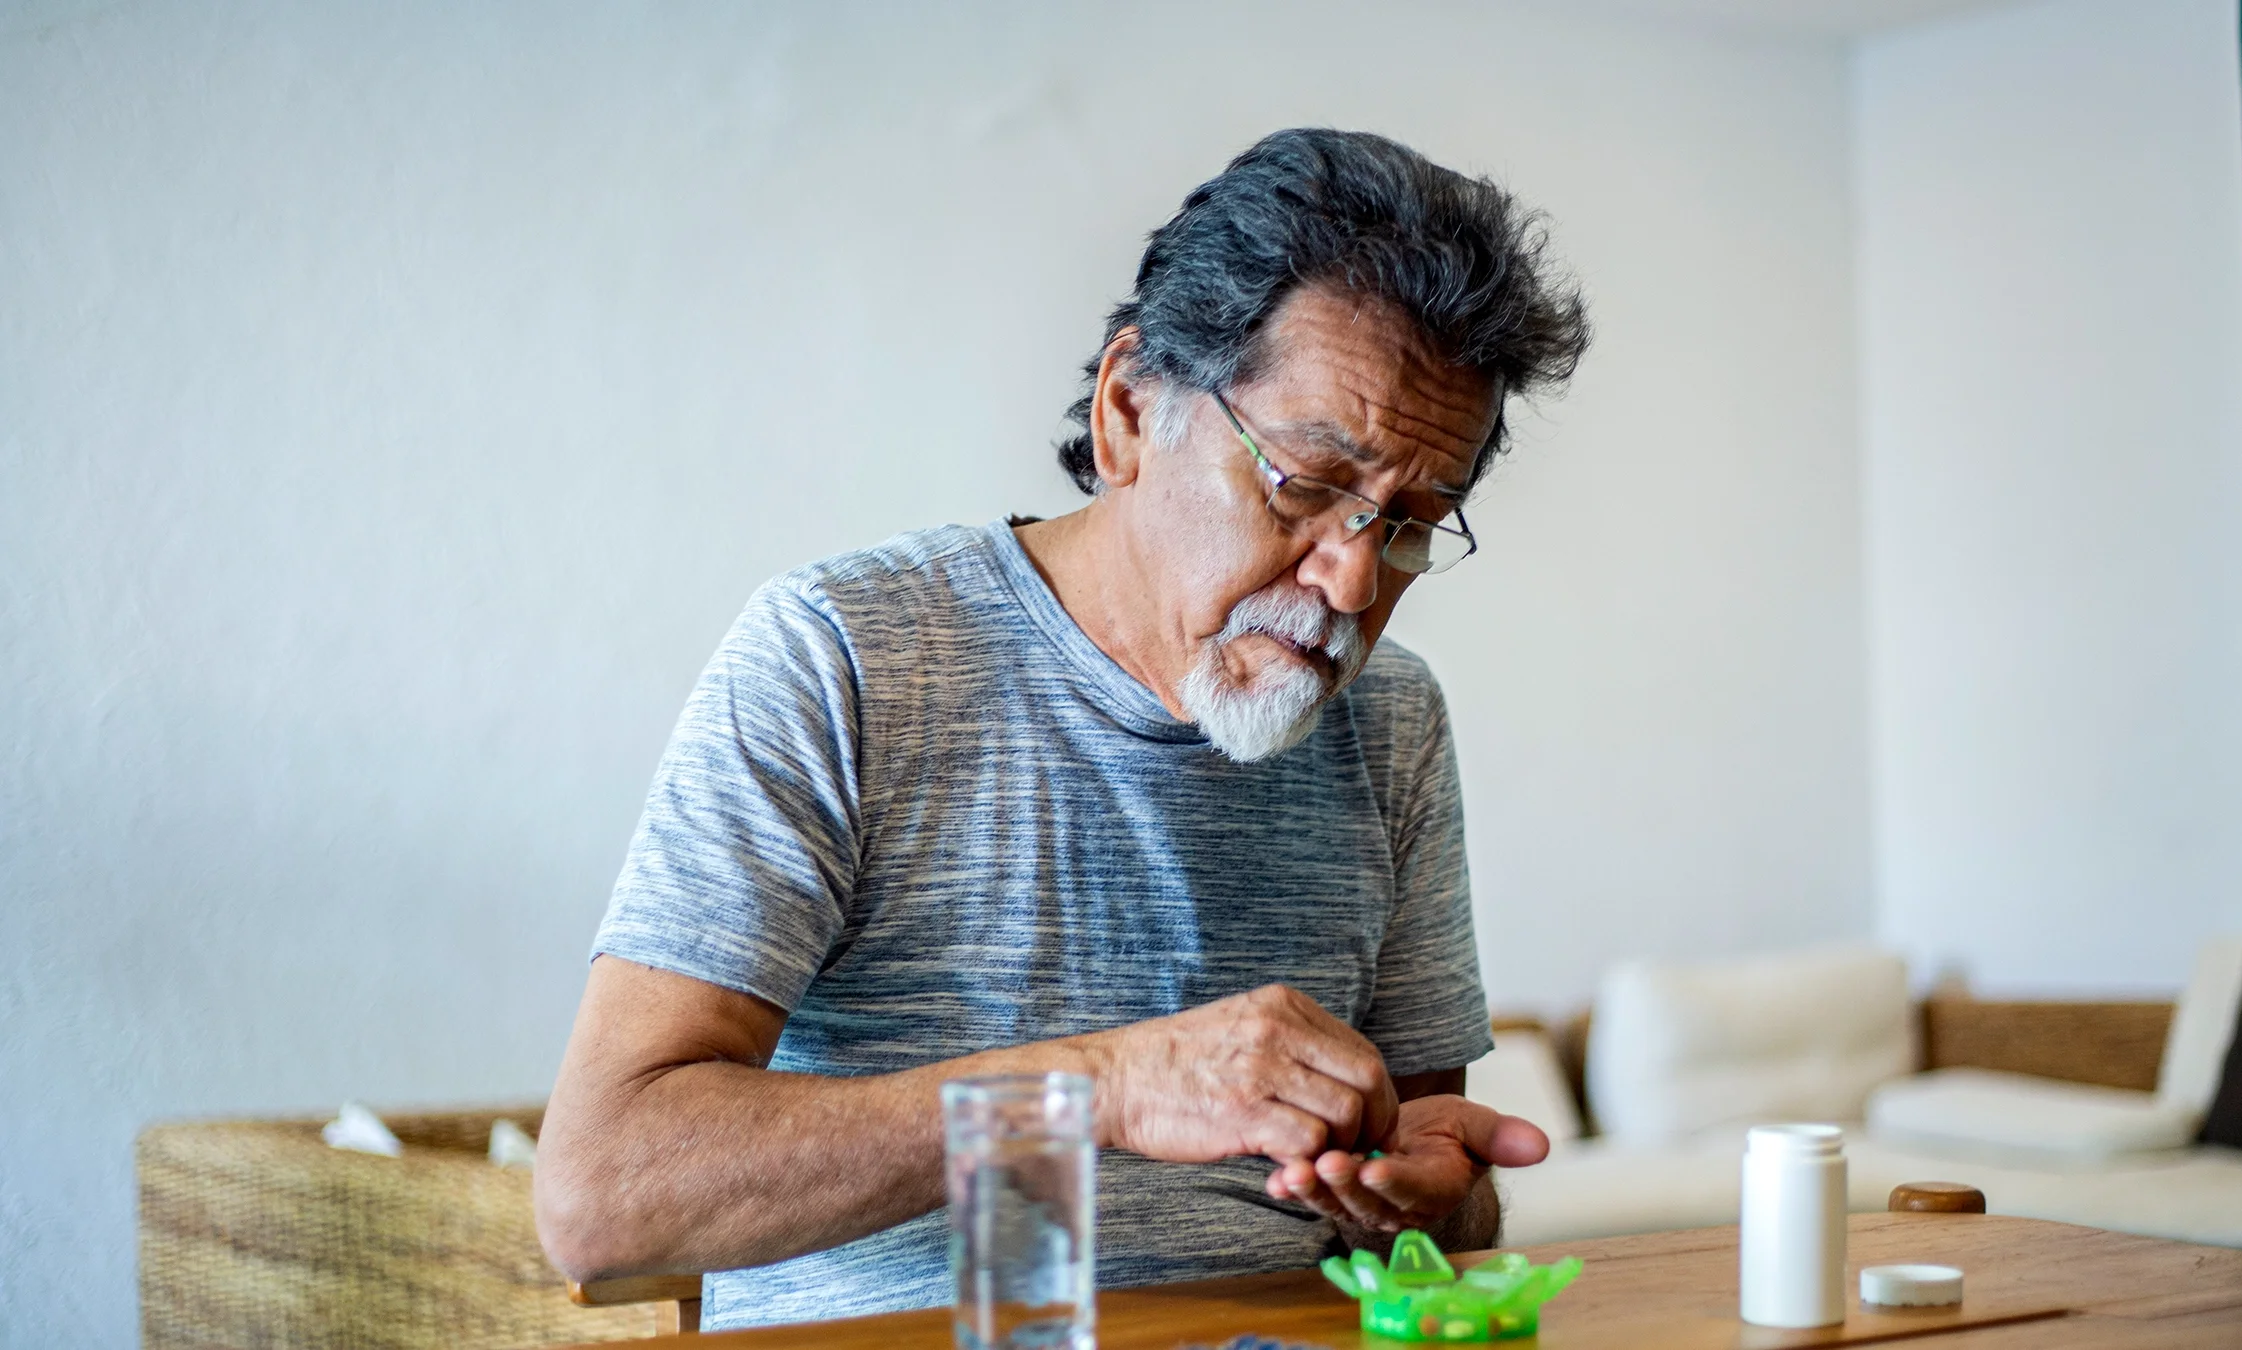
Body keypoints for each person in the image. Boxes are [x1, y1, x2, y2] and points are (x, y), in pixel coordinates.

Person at [533, 126, 1591, 1331]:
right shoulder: (843, 656)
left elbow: (1425, 1224)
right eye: (1305, 485)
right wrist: (1101, 1088)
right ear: (1130, 410)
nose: (1353, 581)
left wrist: (1432, 1203)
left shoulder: (1391, 721)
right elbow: (600, 1196)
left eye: (1410, 524)